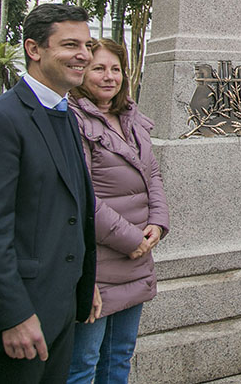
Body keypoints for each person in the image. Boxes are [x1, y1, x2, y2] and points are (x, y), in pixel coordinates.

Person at [0, 3, 100, 383]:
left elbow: (68, 210)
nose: (84, 55)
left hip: (58, 309)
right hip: (15, 322)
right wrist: (12, 315)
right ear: (34, 49)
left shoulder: (64, 114)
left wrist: (84, 281)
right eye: (70, 45)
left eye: (87, 44)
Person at [66, 39, 169, 384]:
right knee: (84, 364)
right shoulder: (72, 121)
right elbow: (80, 196)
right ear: (82, 72)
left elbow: (151, 172)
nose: (109, 77)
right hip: (97, 263)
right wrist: (130, 239)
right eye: (99, 68)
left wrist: (157, 221)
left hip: (136, 259)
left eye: (115, 69)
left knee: (119, 357)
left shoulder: (131, 119)